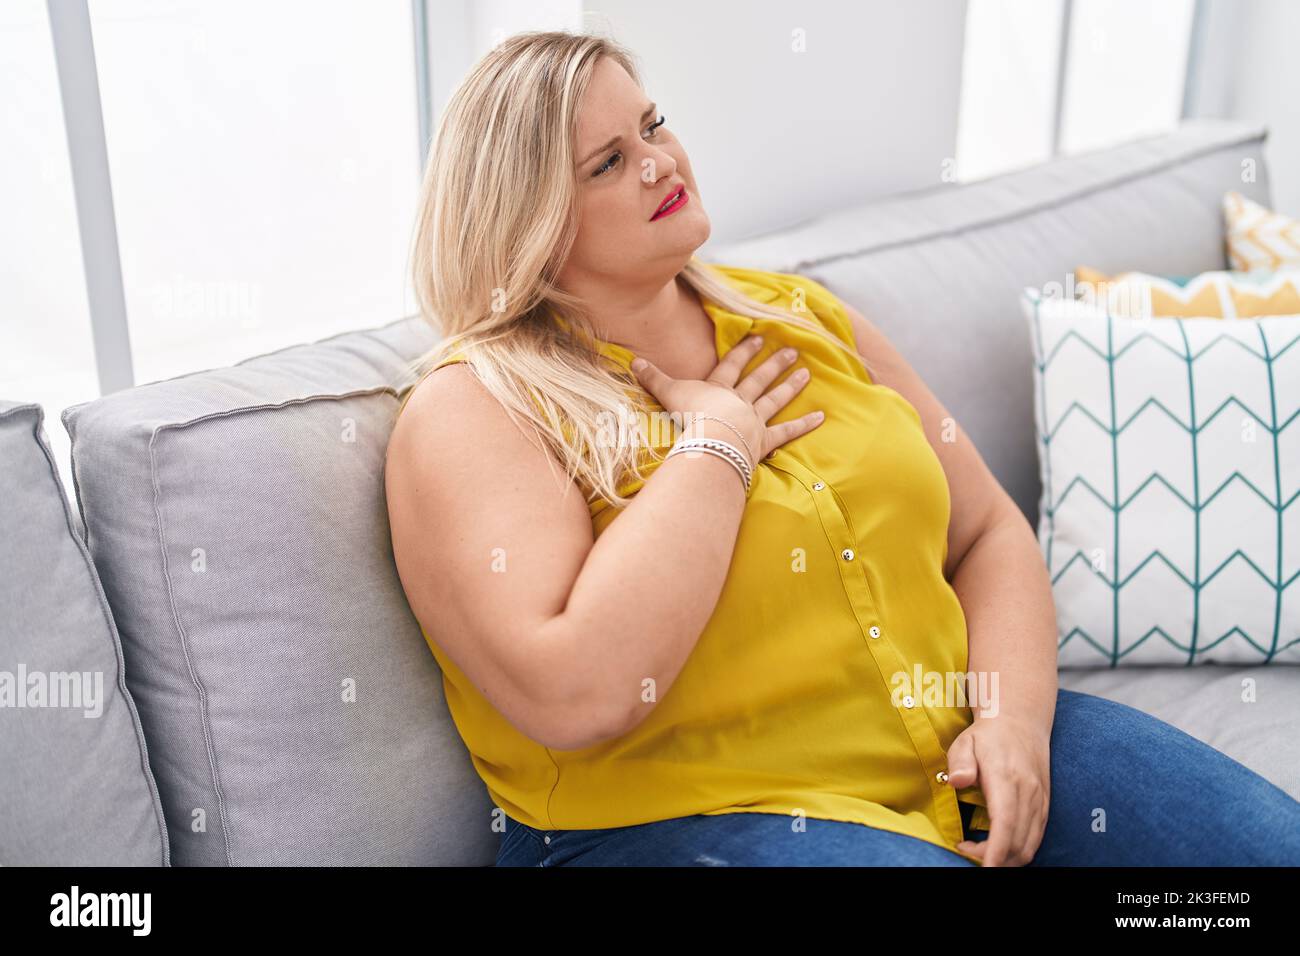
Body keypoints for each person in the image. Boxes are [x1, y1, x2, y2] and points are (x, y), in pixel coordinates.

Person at [383, 29, 1300, 867]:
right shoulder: (478, 407)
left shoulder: (801, 315)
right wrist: (717, 446)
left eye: (653, 125)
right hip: (685, 824)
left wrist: (1013, 719)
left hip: (956, 753)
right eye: (609, 163)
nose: (661, 161)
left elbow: (987, 532)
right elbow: (576, 692)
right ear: (530, 223)